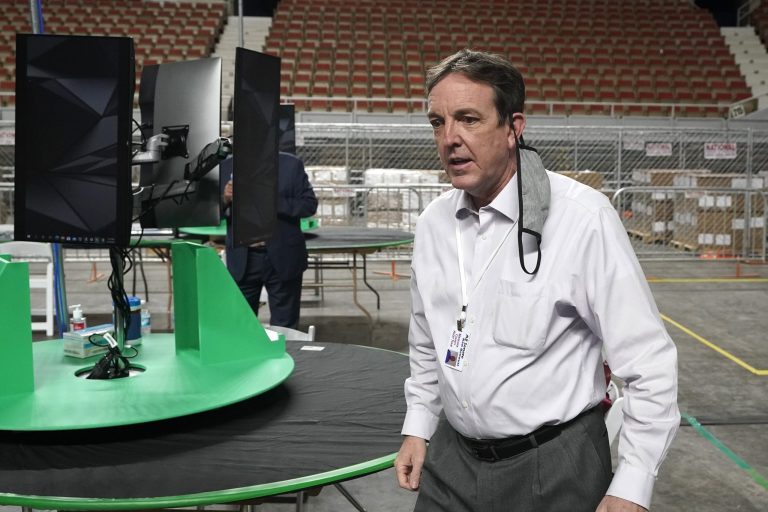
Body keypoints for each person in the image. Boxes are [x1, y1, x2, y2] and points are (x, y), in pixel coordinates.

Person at [394, 49, 679, 512]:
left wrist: (633, 482)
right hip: (452, 458)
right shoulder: (433, 225)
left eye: (469, 119)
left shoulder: (582, 219)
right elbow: (427, 341)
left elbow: (648, 363)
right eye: (437, 122)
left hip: (554, 463)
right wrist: (419, 424)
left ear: (513, 128)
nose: (450, 138)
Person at [221, 151, 317, 328]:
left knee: (285, 326)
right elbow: (208, 210)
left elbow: (309, 205)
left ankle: (286, 355)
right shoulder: (226, 166)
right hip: (244, 259)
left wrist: (271, 202)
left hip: (284, 257)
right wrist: (225, 199)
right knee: (241, 325)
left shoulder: (291, 165)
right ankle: (247, 356)